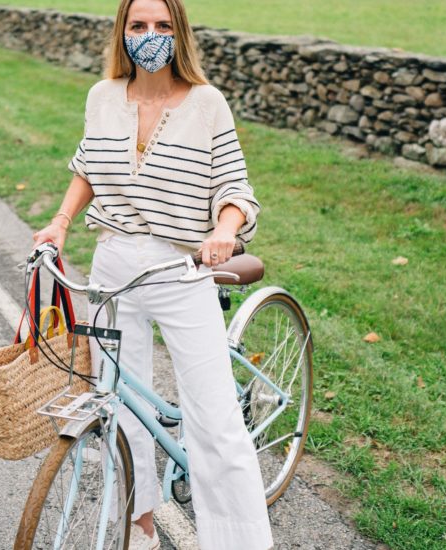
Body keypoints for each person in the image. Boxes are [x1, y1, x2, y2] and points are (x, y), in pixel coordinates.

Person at [32, 0, 273, 548]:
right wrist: (60, 224)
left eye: (163, 25)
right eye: (138, 25)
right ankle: (140, 520)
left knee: (212, 422)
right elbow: (87, 166)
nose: (150, 35)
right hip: (112, 267)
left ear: (180, 33)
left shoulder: (207, 103)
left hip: (180, 268)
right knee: (116, 402)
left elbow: (235, 188)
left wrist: (224, 230)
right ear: (122, 33)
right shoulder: (102, 97)